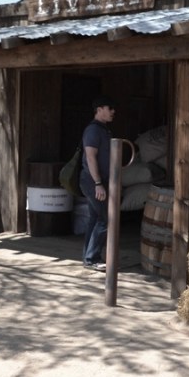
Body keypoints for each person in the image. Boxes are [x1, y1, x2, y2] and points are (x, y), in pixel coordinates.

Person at [79, 95, 115, 271]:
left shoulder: (103, 130)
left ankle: (88, 256)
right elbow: (91, 158)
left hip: (94, 181)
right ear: (99, 109)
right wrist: (98, 183)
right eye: (110, 108)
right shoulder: (93, 130)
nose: (113, 112)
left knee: (95, 218)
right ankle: (92, 258)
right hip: (92, 181)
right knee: (104, 219)